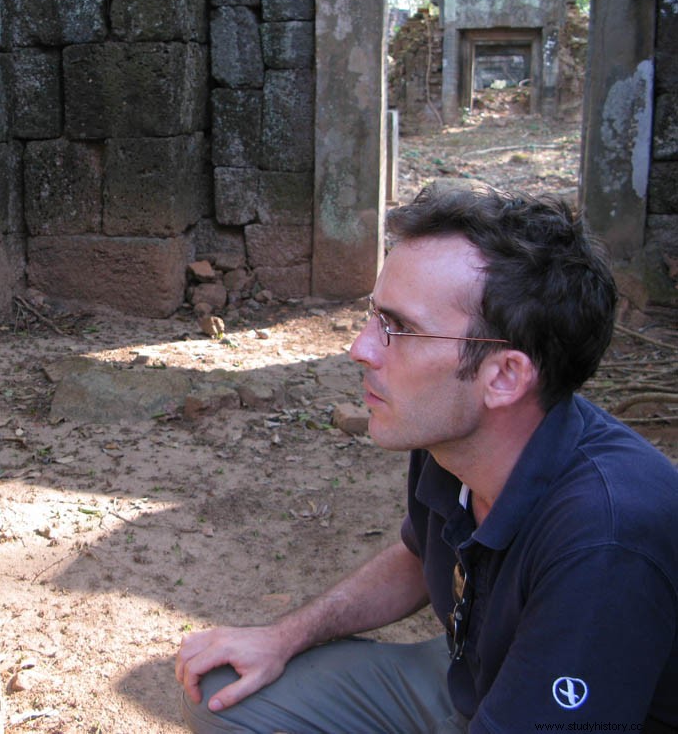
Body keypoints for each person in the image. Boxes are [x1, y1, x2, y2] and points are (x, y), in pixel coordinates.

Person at [175, 181, 678, 733]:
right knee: (224, 694)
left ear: (505, 376)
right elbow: (419, 557)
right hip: (477, 680)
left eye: (401, 328)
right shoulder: (453, 440)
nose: (360, 348)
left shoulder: (606, 539)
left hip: (549, 704)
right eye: (373, 316)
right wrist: (280, 637)